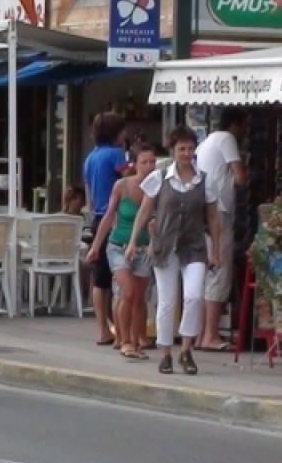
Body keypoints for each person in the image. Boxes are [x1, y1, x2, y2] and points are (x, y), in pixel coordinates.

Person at [125, 126, 221, 376]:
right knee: (167, 301)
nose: (187, 153)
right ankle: (166, 353)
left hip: (194, 246)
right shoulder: (160, 177)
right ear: (173, 150)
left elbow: (213, 217)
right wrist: (134, 240)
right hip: (165, 247)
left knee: (193, 296)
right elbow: (144, 211)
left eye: (190, 149)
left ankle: (186, 349)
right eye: (182, 149)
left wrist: (216, 250)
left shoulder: (204, 180)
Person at [87, 145, 157, 361]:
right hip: (118, 246)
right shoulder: (122, 185)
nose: (148, 166)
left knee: (140, 298)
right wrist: (95, 246)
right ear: (134, 164)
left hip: (144, 248)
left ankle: (137, 341)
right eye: (144, 162)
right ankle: (125, 340)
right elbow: (108, 216)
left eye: (152, 162)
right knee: (127, 292)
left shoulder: (157, 189)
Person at [195, 107, 249, 352]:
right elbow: (240, 177)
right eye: (244, 125)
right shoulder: (227, 139)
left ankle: (200, 334)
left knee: (208, 272)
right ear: (236, 124)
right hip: (221, 211)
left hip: (207, 210)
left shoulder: (206, 141)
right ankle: (211, 335)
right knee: (219, 271)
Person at [82, 112, 130, 346]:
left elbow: (89, 191)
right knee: (119, 275)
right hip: (117, 218)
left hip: (97, 217)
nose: (125, 135)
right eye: (122, 131)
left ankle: (103, 329)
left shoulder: (91, 157)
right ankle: (122, 331)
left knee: (99, 278)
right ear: (115, 133)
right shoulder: (116, 155)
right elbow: (130, 182)